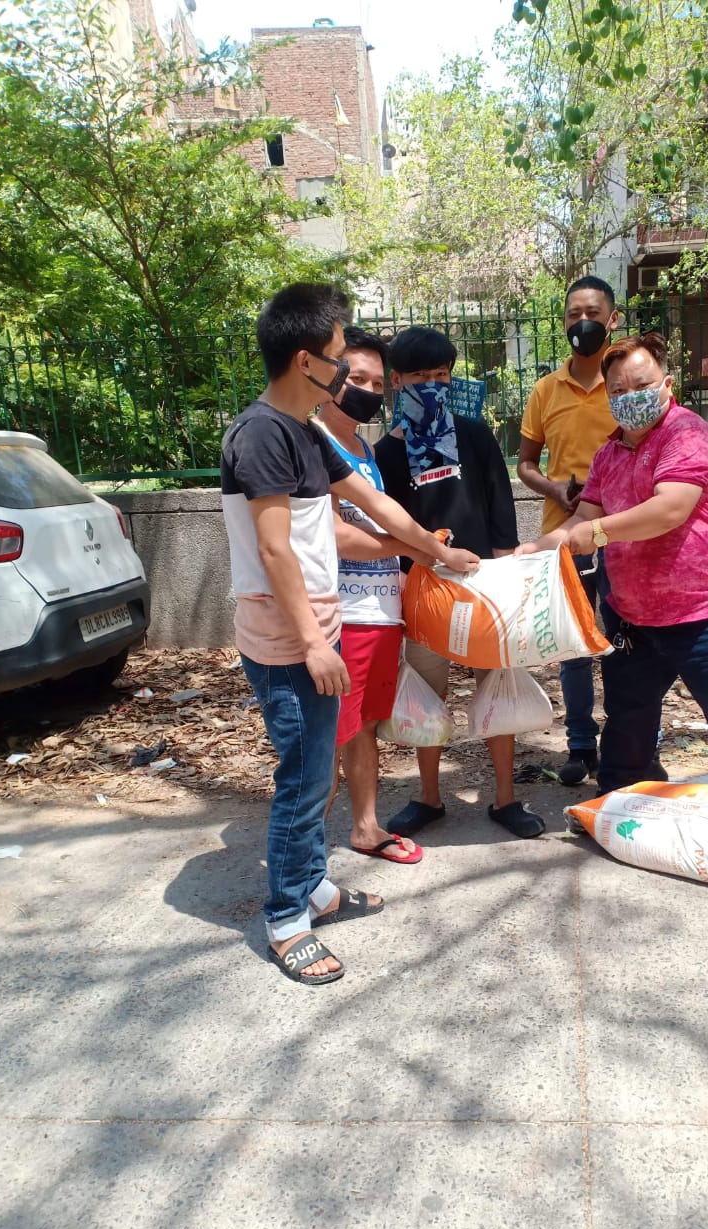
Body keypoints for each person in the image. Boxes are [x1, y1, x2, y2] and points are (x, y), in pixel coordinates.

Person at [220, 286, 478, 986]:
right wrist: (312, 643)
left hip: (319, 627)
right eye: (339, 357)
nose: (346, 372)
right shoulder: (261, 434)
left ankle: (315, 889)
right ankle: (286, 920)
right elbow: (274, 549)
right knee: (304, 782)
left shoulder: (307, 432)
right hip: (286, 640)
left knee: (314, 776)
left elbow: (377, 504)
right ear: (306, 360)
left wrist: (435, 551)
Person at [518, 331, 708, 811]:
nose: (630, 398)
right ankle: (613, 806)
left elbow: (669, 509)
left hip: (703, 611)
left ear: (666, 384)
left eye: (641, 386)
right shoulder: (608, 454)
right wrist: (533, 550)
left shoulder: (686, 434)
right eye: (618, 391)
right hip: (633, 617)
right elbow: (582, 519)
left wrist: (598, 532)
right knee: (627, 723)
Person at [374, 325, 547, 840]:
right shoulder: (385, 454)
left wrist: (507, 577)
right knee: (427, 696)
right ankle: (428, 797)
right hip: (423, 591)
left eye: (440, 373)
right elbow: (390, 530)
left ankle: (505, 798)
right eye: (418, 375)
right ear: (396, 380)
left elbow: (500, 505)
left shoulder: (474, 435)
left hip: (485, 586)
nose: (431, 384)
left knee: (498, 687)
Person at [316, 326, 426, 865]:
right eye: (356, 378)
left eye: (378, 383)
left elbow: (373, 523)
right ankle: (305, 862)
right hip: (345, 616)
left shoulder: (362, 447)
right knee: (326, 739)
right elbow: (334, 534)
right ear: (327, 374)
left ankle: (365, 827)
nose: (368, 391)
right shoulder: (314, 441)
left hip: (380, 611)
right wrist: (412, 546)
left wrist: (403, 568)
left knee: (361, 729)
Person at [517, 276, 620, 786]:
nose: (583, 323)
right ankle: (580, 746)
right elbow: (525, 464)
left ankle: (628, 742)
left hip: (624, 536)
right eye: (574, 314)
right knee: (573, 646)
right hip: (565, 536)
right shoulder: (545, 390)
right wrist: (555, 489)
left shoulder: (628, 385)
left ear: (613, 320)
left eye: (593, 314)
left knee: (625, 642)